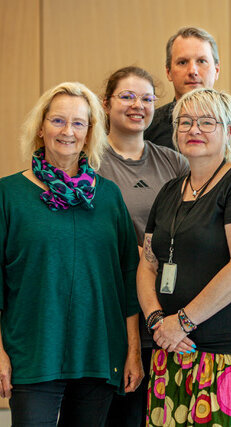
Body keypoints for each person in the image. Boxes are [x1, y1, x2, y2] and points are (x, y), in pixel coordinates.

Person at [0, 82, 142, 426]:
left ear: (90, 133)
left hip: (98, 353)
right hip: (33, 352)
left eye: (79, 123)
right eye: (58, 120)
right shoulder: (8, 194)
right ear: (41, 127)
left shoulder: (108, 196)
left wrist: (133, 351)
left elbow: (128, 277)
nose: (68, 131)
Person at [137, 88, 231, 426]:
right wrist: (156, 321)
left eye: (207, 122)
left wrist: (181, 322)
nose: (194, 129)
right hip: (170, 349)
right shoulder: (170, 191)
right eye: (185, 122)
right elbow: (148, 263)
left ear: (229, 130)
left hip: (227, 354)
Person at [98, 66, 189, 427]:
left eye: (147, 99)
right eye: (127, 96)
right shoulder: (89, 162)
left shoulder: (174, 161)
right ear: (106, 104)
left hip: (166, 312)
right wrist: (137, 256)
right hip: (112, 310)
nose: (138, 105)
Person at [144, 26, 231, 149]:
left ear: (217, 70)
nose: (192, 71)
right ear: (168, 72)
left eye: (201, 61)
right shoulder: (148, 128)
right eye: (182, 62)